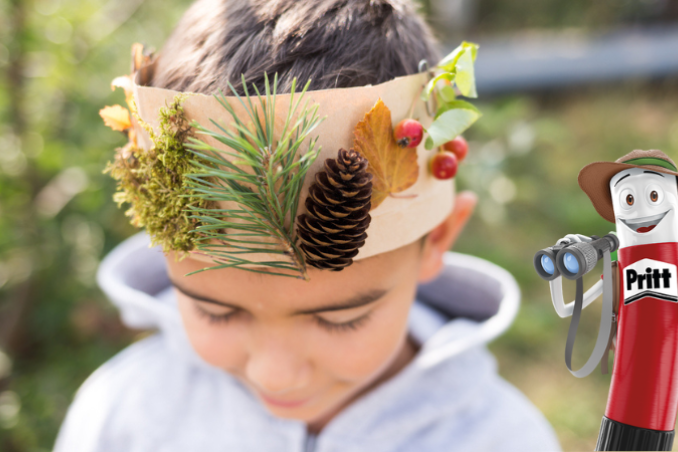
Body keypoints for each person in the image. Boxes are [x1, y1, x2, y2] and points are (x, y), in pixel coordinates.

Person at [53, 0, 561, 450]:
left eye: (340, 320)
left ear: (439, 239)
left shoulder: (501, 438)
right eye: (215, 313)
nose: (275, 373)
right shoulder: (123, 419)